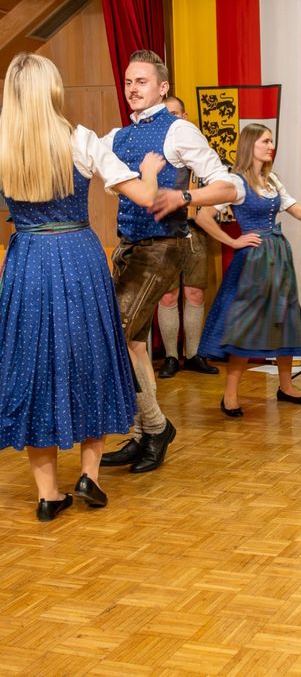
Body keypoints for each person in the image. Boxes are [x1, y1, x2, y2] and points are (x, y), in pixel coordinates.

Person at [0, 53, 165, 520]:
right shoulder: (81, 140)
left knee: (33, 367)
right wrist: (151, 170)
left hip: (28, 260)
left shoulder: (3, 146)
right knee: (90, 357)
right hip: (78, 258)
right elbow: (147, 198)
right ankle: (89, 476)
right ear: (53, 90)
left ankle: (48, 495)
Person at [99, 50, 238, 474]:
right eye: (127, 82)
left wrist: (186, 196)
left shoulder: (179, 131)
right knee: (135, 344)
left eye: (141, 82)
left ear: (162, 88)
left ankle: (157, 429)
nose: (132, 89)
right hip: (130, 248)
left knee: (113, 336)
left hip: (163, 248)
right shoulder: (117, 136)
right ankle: (143, 434)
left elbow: (229, 186)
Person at [195, 124, 301, 416]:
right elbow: (203, 216)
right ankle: (230, 396)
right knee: (245, 325)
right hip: (253, 261)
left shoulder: (271, 180)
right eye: (265, 141)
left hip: (278, 257)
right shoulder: (235, 182)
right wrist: (234, 240)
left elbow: (295, 209)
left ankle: (286, 386)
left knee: (284, 318)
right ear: (250, 145)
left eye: (271, 141)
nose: (270, 146)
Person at [156, 95, 219, 379]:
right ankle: (171, 356)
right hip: (164, 231)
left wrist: (207, 211)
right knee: (168, 296)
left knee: (194, 292)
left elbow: (220, 186)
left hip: (195, 229)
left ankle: (193, 354)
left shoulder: (199, 148)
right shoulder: (157, 153)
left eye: (175, 114)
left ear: (184, 115)